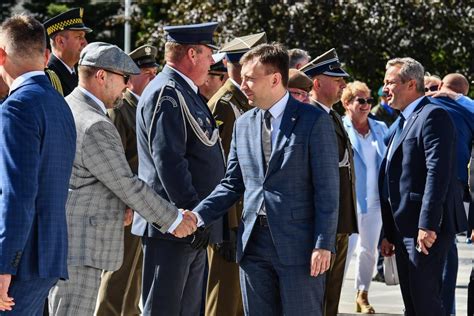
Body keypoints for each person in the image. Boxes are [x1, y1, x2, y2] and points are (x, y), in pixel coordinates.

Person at [187, 43, 340, 315]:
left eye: (249, 78)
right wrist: (196, 217)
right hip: (253, 245)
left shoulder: (314, 121)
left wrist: (323, 244)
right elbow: (232, 184)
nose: (242, 84)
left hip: (300, 247)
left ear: (275, 79)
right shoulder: (244, 124)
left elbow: (327, 189)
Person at [47, 42, 195, 316]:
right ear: (102, 76)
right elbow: (126, 182)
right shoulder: (95, 125)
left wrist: (119, 208)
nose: (127, 86)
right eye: (124, 78)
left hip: (66, 238)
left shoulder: (66, 106)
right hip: (81, 245)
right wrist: (173, 219)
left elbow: (83, 178)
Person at [131, 22, 226, 316]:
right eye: (209, 53)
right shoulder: (168, 93)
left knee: (187, 310)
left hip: (188, 225)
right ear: (192, 54)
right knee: (164, 308)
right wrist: (191, 215)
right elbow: (168, 160)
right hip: (172, 225)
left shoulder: (184, 91)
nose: (213, 61)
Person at [0, 15, 76, 315]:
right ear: (46, 56)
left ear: (1, 55)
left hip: (21, 260)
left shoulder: (16, 107)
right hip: (47, 253)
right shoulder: (58, 103)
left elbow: (17, 195)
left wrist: (4, 265)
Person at [379, 57, 467, 315]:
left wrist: (427, 224)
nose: (385, 88)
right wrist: (388, 232)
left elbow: (437, 173)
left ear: (411, 84)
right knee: (413, 303)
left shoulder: (433, 115)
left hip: (425, 229)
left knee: (426, 302)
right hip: (403, 228)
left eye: (390, 82)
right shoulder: (405, 119)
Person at [206, 31, 266, 316]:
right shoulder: (225, 104)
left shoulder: (243, 102)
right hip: (231, 219)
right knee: (224, 298)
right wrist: (227, 227)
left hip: (244, 216)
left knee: (239, 301)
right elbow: (223, 172)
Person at [95, 44, 159, 316]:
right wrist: (124, 205)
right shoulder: (120, 111)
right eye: (148, 73)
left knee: (135, 275)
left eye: (156, 72)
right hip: (125, 207)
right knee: (117, 275)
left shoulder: (147, 108)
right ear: (130, 78)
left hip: (143, 204)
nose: (154, 78)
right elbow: (114, 164)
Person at [301, 48, 358, 316]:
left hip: (339, 221)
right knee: (317, 295)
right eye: (337, 80)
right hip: (322, 222)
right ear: (316, 82)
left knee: (332, 293)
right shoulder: (309, 116)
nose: (343, 85)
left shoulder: (331, 115)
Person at [428, 73, 474, 316]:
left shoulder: (426, 106)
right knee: (445, 248)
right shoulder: (464, 109)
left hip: (425, 187)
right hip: (452, 187)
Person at [341, 81, 388, 314]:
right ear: (347, 103)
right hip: (350, 200)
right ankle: (331, 295)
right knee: (345, 251)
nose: (366, 104)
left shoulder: (380, 128)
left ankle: (362, 293)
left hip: (375, 200)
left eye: (369, 100)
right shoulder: (340, 127)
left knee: (369, 250)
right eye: (360, 100)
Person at [43, 8, 91, 96]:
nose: (85, 42)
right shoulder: (47, 76)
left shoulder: (78, 72)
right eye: (79, 37)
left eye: (84, 37)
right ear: (60, 41)